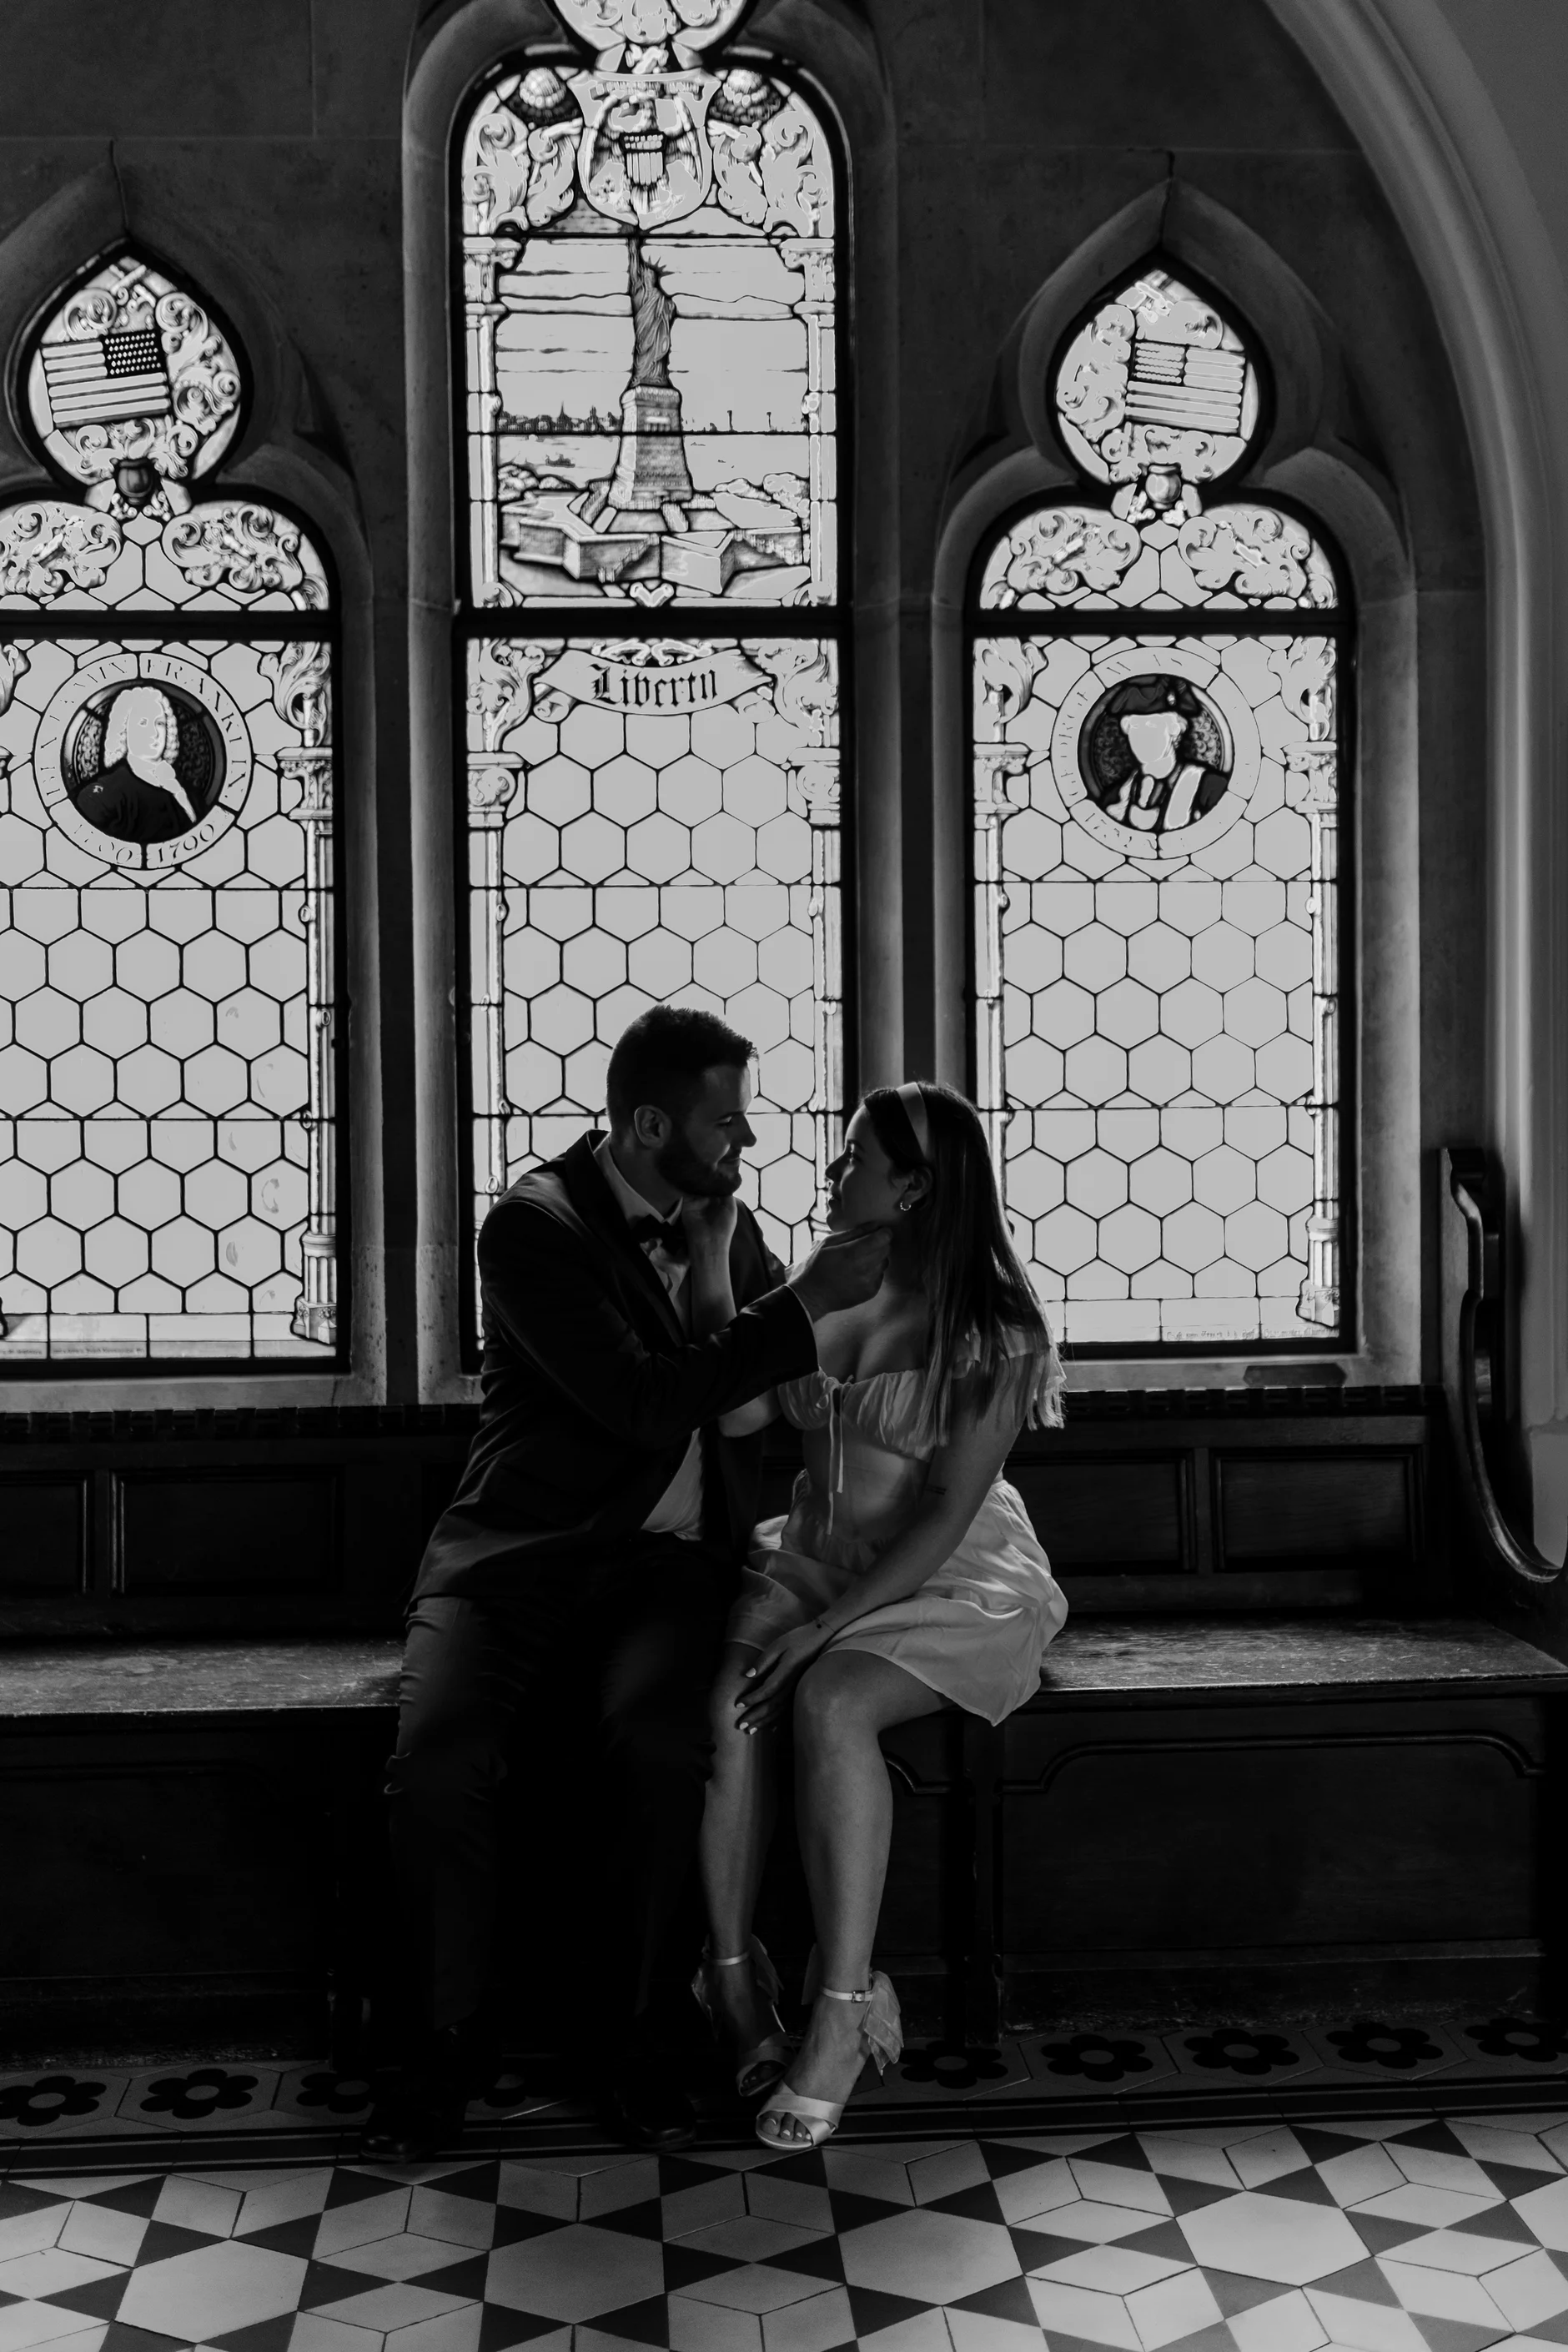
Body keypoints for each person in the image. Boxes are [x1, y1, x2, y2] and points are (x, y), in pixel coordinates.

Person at [364, 1007, 889, 2161]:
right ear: (650, 1124)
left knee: (663, 1753)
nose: (745, 1140)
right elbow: (650, 1398)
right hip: (514, 1558)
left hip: (664, 1572)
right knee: (439, 1762)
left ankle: (636, 2041)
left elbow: (744, 1386)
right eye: (725, 1120)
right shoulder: (532, 1227)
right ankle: (443, 2044)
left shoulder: (726, 1228)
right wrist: (800, 1307)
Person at [694, 1079, 1068, 2147]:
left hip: (947, 1574)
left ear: (911, 1187)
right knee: (726, 1711)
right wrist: (722, 1247)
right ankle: (728, 1983)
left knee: (830, 1701)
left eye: (854, 1155)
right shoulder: (827, 1293)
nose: (831, 1169)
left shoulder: (992, 1328)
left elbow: (942, 1517)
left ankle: (840, 2015)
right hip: (813, 1555)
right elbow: (734, 1412)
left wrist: (822, 1630)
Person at [1093, 675, 1228, 836]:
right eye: (1135, 726)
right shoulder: (1114, 797)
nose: (1142, 736)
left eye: (1152, 725)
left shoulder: (1210, 789)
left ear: (1174, 730)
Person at [72, 684, 201, 845]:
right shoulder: (105, 797)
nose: (154, 733)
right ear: (124, 730)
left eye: (160, 723)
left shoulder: (188, 793)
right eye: (143, 722)